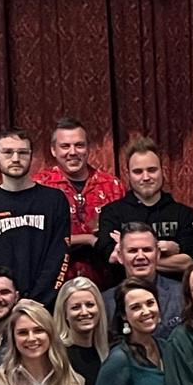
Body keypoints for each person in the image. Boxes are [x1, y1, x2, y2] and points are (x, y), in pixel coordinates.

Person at [0, 128, 70, 306]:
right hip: (0, 305)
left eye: (22, 152)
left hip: (45, 305)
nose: (15, 158)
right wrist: (3, 298)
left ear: (31, 157)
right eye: (8, 152)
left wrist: (36, 302)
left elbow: (59, 256)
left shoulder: (54, 201)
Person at [94, 136, 193, 283]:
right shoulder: (112, 213)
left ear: (162, 171)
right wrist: (168, 252)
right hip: (126, 293)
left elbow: (189, 262)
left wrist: (130, 253)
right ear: (128, 175)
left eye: (152, 170)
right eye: (138, 172)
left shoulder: (184, 214)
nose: (146, 177)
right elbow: (112, 257)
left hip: (175, 295)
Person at [33, 116, 126, 287]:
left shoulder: (112, 185)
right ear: (53, 150)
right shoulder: (39, 187)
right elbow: (35, 240)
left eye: (79, 145)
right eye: (65, 146)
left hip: (107, 285)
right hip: (54, 287)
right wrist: (88, 239)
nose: (73, 152)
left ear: (88, 148)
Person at [100, 224, 183, 341]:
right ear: (120, 256)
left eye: (147, 250)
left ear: (158, 255)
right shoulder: (105, 302)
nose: (140, 256)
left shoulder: (181, 294)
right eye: (133, 251)